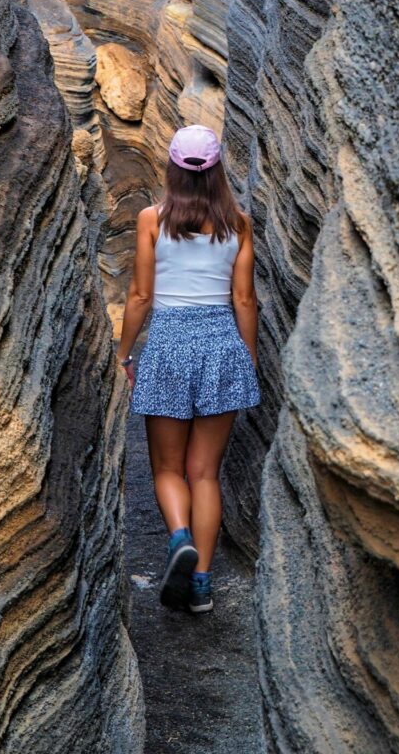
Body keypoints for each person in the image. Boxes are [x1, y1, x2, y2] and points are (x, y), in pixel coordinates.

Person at [116, 124, 261, 614]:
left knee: (167, 467)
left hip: (171, 341)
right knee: (205, 473)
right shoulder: (239, 224)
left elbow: (140, 295)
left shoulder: (152, 220)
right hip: (221, 341)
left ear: (173, 167)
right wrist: (248, 359)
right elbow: (244, 299)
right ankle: (200, 583)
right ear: (217, 169)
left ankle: (179, 536)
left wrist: (124, 352)